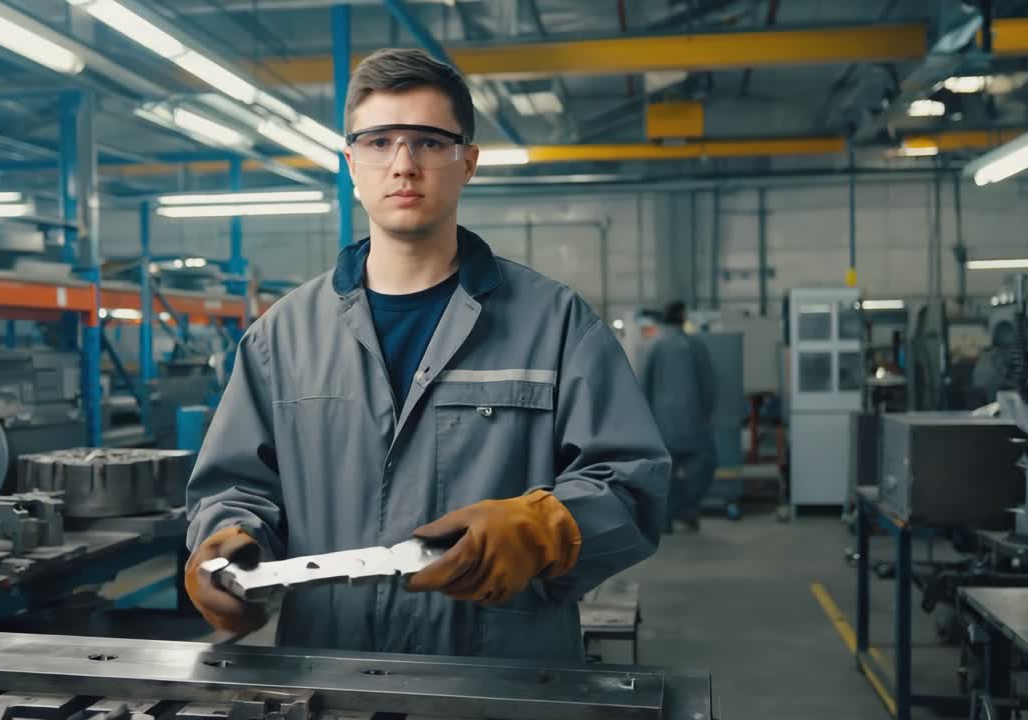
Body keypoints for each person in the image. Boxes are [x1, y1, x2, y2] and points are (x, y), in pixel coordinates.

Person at [182, 48, 670, 661]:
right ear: (351, 164)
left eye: (429, 142)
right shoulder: (281, 338)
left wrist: (545, 529)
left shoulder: (557, 324)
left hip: (500, 680)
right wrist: (227, 543)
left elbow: (633, 486)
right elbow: (235, 486)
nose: (403, 165)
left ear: (468, 162)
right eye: (380, 141)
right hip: (330, 674)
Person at [640, 301, 717, 532]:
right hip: (694, 422)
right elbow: (709, 386)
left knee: (664, 473)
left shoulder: (653, 346)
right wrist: (706, 414)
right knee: (704, 465)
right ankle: (688, 509)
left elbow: (643, 385)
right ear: (683, 318)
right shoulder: (696, 345)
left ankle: (666, 517)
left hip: (661, 425)